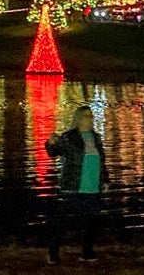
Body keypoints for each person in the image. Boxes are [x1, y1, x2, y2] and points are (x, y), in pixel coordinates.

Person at [44, 105, 108, 262]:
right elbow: (54, 152)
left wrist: (105, 180)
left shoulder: (96, 138)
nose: (90, 119)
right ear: (78, 119)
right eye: (86, 116)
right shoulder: (69, 138)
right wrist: (50, 143)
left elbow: (102, 162)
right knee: (66, 221)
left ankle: (87, 251)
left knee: (93, 220)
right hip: (73, 186)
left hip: (93, 187)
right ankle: (53, 252)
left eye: (91, 116)